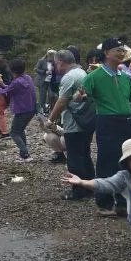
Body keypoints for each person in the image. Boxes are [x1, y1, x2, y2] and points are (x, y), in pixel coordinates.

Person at [77, 38, 131, 216]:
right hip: (107, 122)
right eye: (117, 50)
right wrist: (79, 96)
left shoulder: (125, 76)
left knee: (129, 161)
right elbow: (79, 95)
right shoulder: (94, 76)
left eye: (122, 50)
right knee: (107, 162)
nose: (121, 53)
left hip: (127, 122)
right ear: (106, 53)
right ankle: (104, 203)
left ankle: (124, 202)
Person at [45, 50, 92, 199]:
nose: (55, 66)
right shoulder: (82, 72)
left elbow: (62, 101)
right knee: (85, 155)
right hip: (86, 121)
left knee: (75, 159)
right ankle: (90, 187)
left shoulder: (69, 77)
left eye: (55, 63)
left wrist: (50, 119)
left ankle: (78, 191)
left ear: (60, 63)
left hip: (74, 123)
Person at [0, 58, 37, 162]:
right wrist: (3, 84)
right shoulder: (28, 78)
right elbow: (10, 88)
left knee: (14, 132)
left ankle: (25, 154)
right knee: (20, 130)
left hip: (22, 111)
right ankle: (23, 154)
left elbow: (4, 92)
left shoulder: (16, 82)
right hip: (31, 109)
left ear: (12, 71)